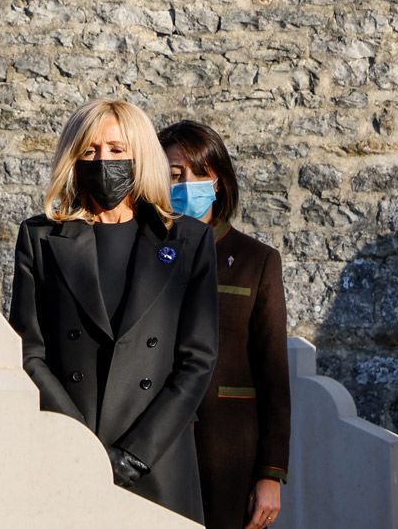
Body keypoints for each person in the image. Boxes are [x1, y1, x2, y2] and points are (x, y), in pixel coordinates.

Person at [11, 99, 219, 522]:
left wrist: (135, 454)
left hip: (156, 460)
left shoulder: (188, 240)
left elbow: (196, 360)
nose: (103, 160)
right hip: (68, 456)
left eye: (116, 149)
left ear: (139, 154)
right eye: (90, 150)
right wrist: (79, 447)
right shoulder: (40, 238)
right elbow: (30, 352)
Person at [158, 121, 289, 529]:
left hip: (230, 450)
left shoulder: (256, 261)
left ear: (219, 181)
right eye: (175, 175)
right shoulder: (145, 253)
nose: (187, 184)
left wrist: (270, 472)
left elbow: (273, 373)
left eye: (200, 173)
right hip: (158, 445)